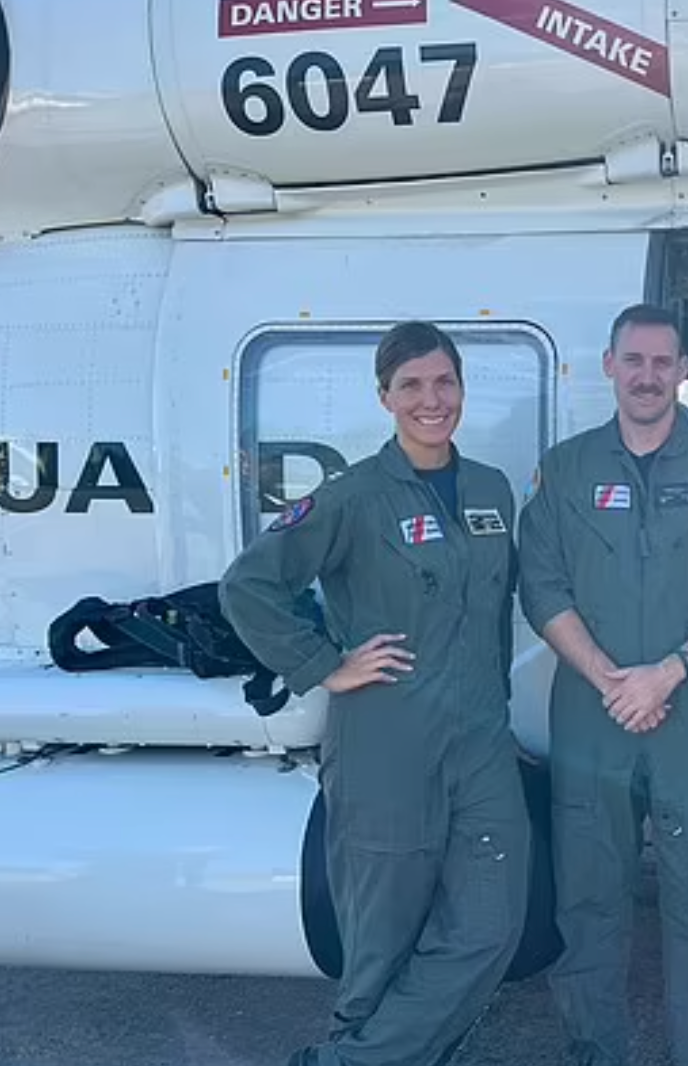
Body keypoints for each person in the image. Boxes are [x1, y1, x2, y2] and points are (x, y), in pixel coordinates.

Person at [219, 321, 533, 1066]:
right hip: (386, 746)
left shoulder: (490, 489)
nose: (433, 400)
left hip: (482, 745)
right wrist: (325, 663)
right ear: (385, 397)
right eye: (412, 385)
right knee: (381, 949)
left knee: (490, 927)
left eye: (445, 382)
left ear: (462, 386)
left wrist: (494, 707)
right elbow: (249, 586)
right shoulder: (353, 496)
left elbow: (489, 616)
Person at [516, 303, 688, 1066]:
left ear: (684, 371)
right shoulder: (565, 470)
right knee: (590, 907)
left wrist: (671, 670)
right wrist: (610, 679)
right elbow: (541, 587)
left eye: (663, 362)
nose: (648, 376)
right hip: (593, 719)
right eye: (634, 360)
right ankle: (596, 1052)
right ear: (609, 366)